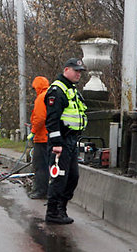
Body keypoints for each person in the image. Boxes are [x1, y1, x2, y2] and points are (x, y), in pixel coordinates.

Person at [44, 58, 87, 224]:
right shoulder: (57, 90)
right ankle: (52, 212)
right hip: (60, 141)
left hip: (71, 140)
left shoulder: (72, 90)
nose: (78, 74)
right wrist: (56, 144)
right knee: (59, 177)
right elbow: (52, 120)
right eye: (76, 70)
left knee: (72, 177)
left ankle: (61, 208)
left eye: (80, 71)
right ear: (66, 70)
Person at [27, 76, 50, 199]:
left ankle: (40, 191)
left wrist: (33, 131)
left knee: (40, 165)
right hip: (49, 136)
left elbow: (40, 118)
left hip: (42, 137)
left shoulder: (41, 98)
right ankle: (45, 190)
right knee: (46, 165)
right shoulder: (50, 95)